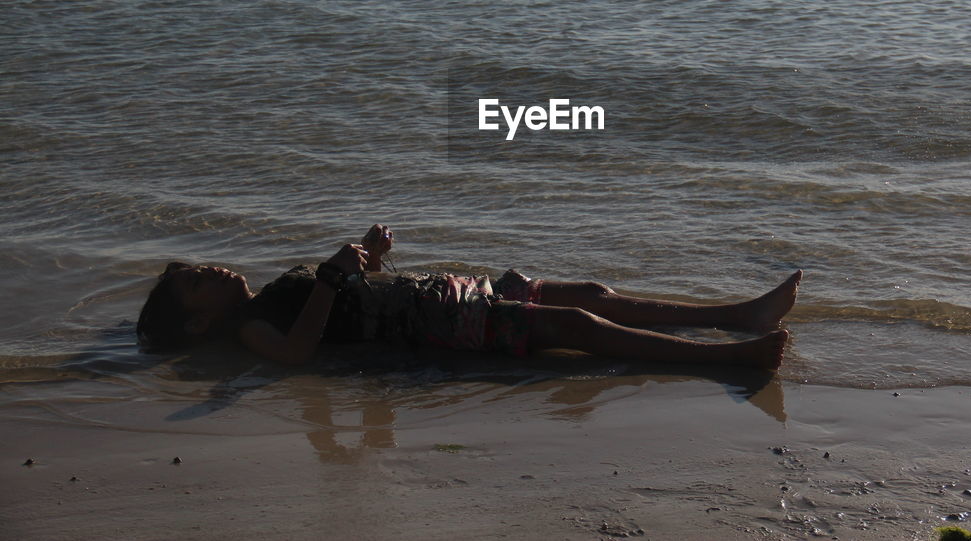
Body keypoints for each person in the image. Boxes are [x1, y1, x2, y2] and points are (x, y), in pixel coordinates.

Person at [137, 224, 798, 370]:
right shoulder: (254, 325)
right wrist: (334, 277)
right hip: (437, 322)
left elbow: (349, 300)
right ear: (198, 324)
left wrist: (369, 258)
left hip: (440, 294)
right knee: (578, 322)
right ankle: (723, 359)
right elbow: (296, 352)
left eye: (201, 265)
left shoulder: (273, 290)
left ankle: (738, 314)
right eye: (199, 279)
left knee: (593, 292)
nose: (215, 269)